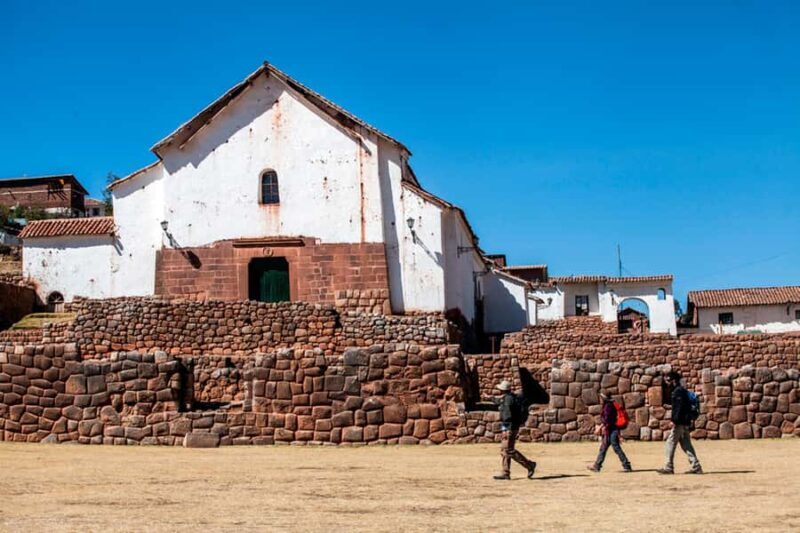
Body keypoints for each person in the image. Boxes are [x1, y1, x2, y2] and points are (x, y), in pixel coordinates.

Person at [658, 371, 703, 475]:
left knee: (670, 443)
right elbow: (681, 406)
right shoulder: (682, 391)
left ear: (674, 380)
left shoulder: (677, 391)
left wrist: (674, 421)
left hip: (680, 422)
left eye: (668, 380)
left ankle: (668, 467)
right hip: (685, 421)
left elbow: (679, 408)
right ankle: (696, 466)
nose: (667, 382)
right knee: (686, 444)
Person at [493, 380, 537, 480]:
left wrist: (505, 428)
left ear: (502, 390)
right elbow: (499, 401)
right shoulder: (510, 398)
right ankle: (505, 473)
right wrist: (490, 398)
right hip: (511, 427)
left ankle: (529, 465)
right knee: (505, 450)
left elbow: (507, 415)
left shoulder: (508, 400)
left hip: (509, 428)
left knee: (508, 450)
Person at [587, 392, 632, 472]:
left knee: (616, 448)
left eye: (601, 397)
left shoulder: (608, 406)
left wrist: (599, 428)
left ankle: (626, 465)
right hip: (610, 430)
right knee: (603, 448)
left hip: (612, 430)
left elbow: (607, 420)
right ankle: (597, 466)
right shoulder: (609, 405)